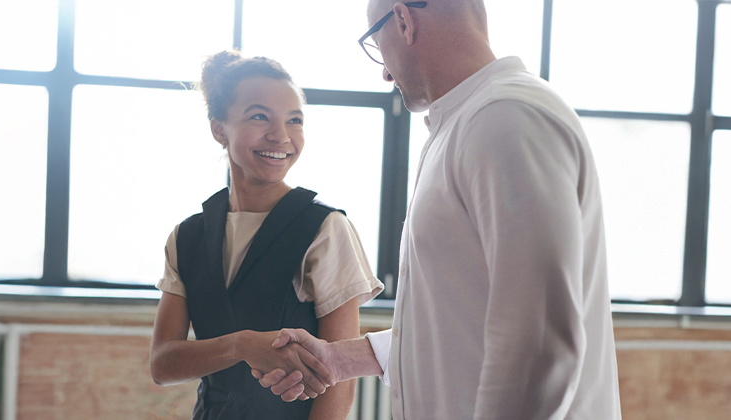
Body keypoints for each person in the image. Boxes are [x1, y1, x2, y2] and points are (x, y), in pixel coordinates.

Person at [253, 0, 623, 418]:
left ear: (405, 22)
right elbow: (462, 321)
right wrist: (341, 359)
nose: (385, 71)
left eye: (376, 42)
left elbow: (537, 342)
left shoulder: (505, 119)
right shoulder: (469, 123)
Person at [149, 51, 384, 419]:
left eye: (295, 120)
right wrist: (242, 344)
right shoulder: (187, 236)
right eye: (259, 116)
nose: (281, 136)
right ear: (219, 129)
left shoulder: (324, 228)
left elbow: (339, 380)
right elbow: (163, 364)